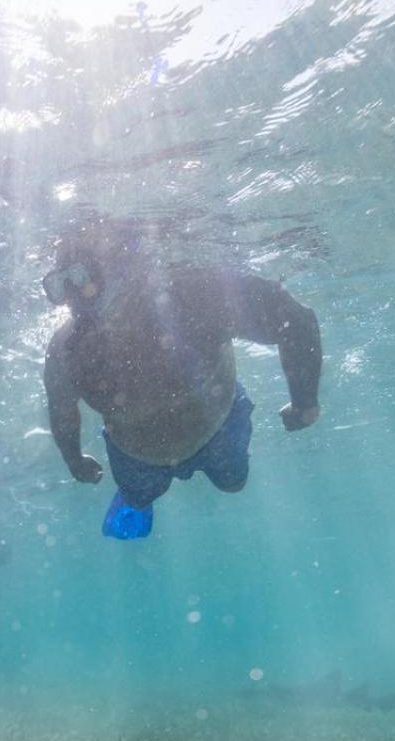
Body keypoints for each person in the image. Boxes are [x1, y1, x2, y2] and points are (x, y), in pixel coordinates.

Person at [42, 229, 322, 538]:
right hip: (137, 454)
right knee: (138, 498)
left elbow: (296, 322)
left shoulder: (194, 295)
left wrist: (305, 401)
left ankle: (141, 498)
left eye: (81, 276)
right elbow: (61, 408)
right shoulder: (65, 351)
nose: (72, 298)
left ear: (118, 264)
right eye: (58, 285)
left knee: (234, 484)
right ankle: (137, 501)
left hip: (218, 427)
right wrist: (74, 460)